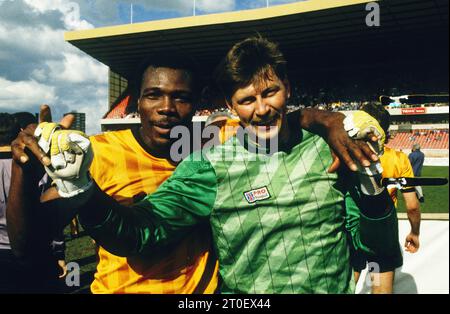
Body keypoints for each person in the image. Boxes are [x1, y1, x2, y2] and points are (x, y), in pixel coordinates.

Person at [19, 37, 398, 294]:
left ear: (289, 88)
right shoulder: (209, 166)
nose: (262, 108)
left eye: (270, 93)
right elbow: (140, 232)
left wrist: (372, 191)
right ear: (231, 106)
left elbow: (375, 247)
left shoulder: (328, 148)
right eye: (247, 99)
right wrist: (83, 190)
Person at [350, 103, 421, 294]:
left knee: (348, 283)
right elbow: (412, 206)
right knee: (381, 288)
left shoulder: (345, 155)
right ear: (386, 131)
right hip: (380, 230)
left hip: (351, 224)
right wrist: (414, 233)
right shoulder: (399, 158)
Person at [1, 112, 64, 293]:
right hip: (37, 253)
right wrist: (59, 252)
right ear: (18, 134)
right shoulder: (37, 167)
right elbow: (53, 216)